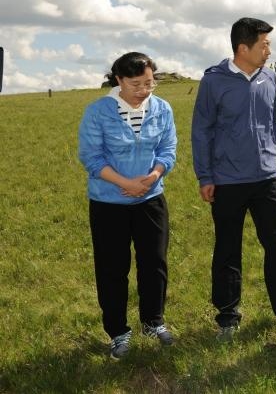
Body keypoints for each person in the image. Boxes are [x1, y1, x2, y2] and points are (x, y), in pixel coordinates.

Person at [191, 17, 276, 341]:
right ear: (243, 48)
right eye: (264, 44)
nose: (269, 50)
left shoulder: (270, 77)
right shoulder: (213, 81)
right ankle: (227, 317)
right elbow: (202, 130)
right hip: (227, 180)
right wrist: (205, 175)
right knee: (227, 248)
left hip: (267, 178)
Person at [78, 52, 177, 359]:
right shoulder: (97, 112)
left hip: (151, 199)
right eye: (136, 84)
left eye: (149, 83)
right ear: (119, 80)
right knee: (112, 268)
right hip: (108, 203)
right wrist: (125, 183)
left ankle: (153, 322)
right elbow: (91, 157)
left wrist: (154, 175)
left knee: (154, 263)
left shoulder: (162, 108)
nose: (144, 90)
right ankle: (118, 332)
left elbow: (168, 149)